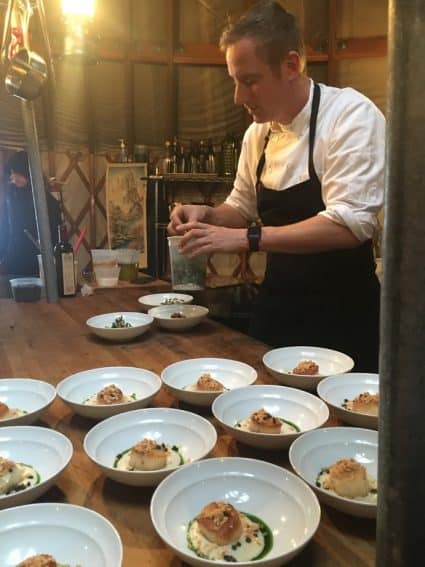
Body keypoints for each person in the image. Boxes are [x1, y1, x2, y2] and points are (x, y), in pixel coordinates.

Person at [168, 1, 384, 372]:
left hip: (344, 317)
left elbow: (350, 225)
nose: (238, 97)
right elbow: (242, 206)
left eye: (249, 81)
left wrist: (248, 239)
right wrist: (211, 214)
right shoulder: (259, 134)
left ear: (290, 65)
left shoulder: (349, 116)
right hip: (278, 311)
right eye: (234, 81)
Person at [0, 150, 61, 282]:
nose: (12, 178)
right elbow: (4, 228)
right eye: (10, 174)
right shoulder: (11, 198)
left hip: (39, 263)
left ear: (26, 171)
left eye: (14, 172)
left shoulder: (48, 202)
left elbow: (55, 235)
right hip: (13, 263)